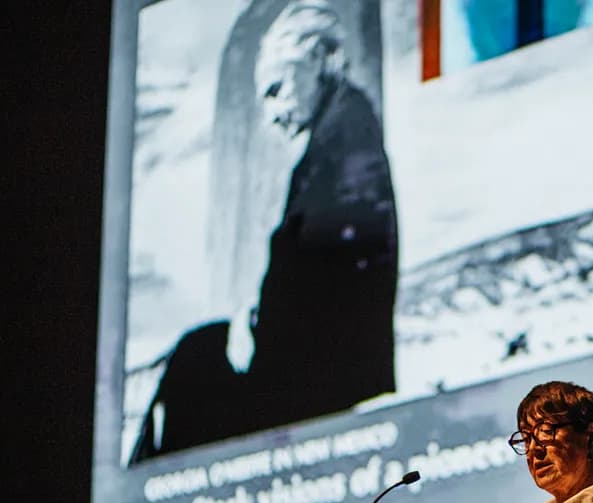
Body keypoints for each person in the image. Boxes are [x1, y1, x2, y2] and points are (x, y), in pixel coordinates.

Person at [130, 0, 397, 463]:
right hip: (304, 366)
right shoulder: (336, 138)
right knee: (198, 352)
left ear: (315, 59)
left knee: (195, 363)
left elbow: (334, 272)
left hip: (316, 383)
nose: (271, 113)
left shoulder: (346, 147)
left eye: (275, 89)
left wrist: (258, 332)